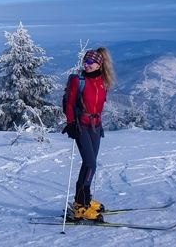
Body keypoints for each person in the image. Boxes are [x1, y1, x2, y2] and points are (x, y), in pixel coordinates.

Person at [62, 48, 115, 221]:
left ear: (99, 64)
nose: (87, 64)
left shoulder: (103, 81)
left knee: (88, 164)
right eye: (85, 61)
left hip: (96, 126)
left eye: (91, 62)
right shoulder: (78, 80)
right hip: (81, 126)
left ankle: (83, 200)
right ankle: (80, 206)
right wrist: (70, 123)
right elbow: (69, 103)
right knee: (91, 163)